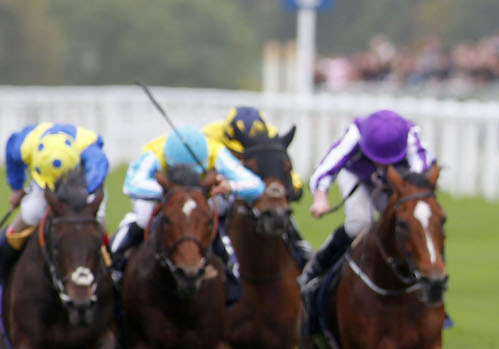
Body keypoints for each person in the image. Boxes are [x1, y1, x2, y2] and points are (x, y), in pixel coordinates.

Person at [109, 124, 265, 295]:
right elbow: (131, 185)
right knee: (143, 218)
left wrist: (231, 186)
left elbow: (257, 186)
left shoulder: (217, 152)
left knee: (212, 212)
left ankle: (230, 268)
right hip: (165, 195)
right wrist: (173, 193)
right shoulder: (154, 152)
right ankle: (116, 262)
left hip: (199, 199)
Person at [299, 109, 436, 292]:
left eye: (389, 161)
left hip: (399, 183)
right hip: (358, 177)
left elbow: (422, 171)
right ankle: (317, 266)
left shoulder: (411, 135)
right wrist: (320, 197)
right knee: (360, 222)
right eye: (379, 160)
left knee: (410, 223)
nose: (383, 165)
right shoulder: (356, 133)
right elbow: (327, 166)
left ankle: (428, 279)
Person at [0, 122, 109, 279]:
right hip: (43, 184)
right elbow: (11, 155)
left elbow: (97, 176)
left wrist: (78, 198)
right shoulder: (25, 144)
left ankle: (109, 262)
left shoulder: (91, 153)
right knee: (31, 213)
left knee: (97, 220)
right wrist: (17, 187)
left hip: (81, 183)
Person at [204, 106, 313, 262]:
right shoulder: (209, 136)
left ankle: (301, 251)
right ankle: (208, 250)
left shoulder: (271, 135)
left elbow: (283, 172)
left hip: (256, 188)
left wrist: (292, 188)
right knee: (216, 208)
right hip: (223, 187)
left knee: (280, 209)